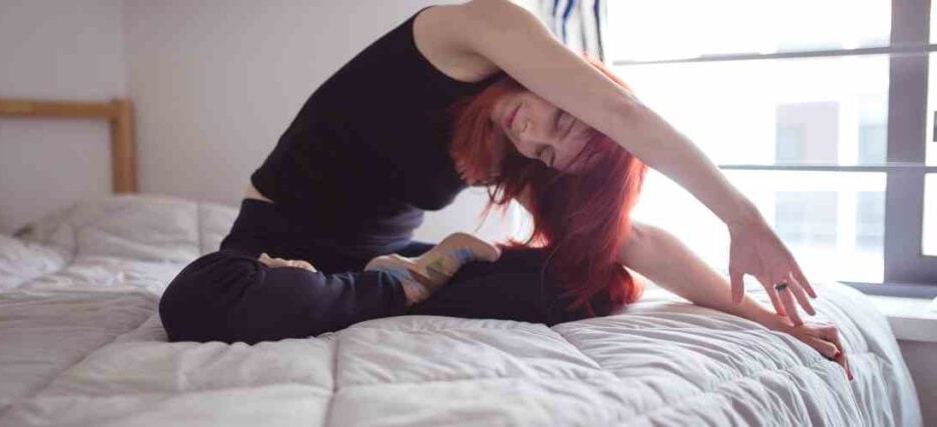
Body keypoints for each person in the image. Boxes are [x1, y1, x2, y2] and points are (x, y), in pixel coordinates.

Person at [159, 0, 851, 380]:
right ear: (570, 81)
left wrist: (761, 316)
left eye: (549, 151)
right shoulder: (476, 28)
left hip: (380, 259)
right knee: (195, 302)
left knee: (589, 279)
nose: (534, 136)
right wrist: (743, 216)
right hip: (275, 241)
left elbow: (634, 240)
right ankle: (400, 289)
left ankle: (399, 283)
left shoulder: (518, 151)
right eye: (559, 116)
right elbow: (622, 113)